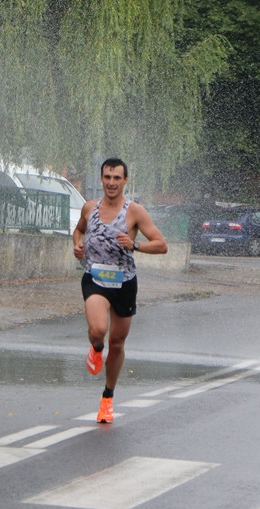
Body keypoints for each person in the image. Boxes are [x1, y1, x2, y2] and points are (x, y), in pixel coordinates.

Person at [72, 158, 167, 423]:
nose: (111, 182)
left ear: (125, 181)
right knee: (98, 330)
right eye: (107, 177)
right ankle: (95, 346)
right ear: (101, 179)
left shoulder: (134, 212)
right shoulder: (90, 207)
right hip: (94, 277)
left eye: (117, 178)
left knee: (118, 343)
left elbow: (161, 244)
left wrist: (135, 246)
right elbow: (78, 232)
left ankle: (107, 399)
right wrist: (77, 246)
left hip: (124, 282)